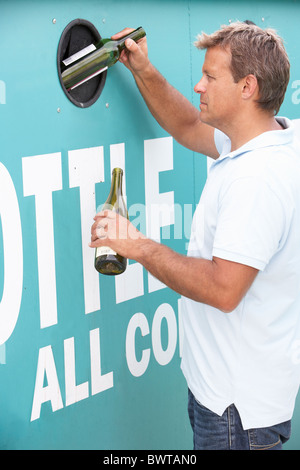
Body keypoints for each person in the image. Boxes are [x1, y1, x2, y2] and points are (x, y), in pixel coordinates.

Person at [90, 22, 300, 450]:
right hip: (229, 397)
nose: (198, 84)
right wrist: (144, 70)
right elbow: (187, 124)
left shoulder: (257, 178)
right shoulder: (266, 136)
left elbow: (225, 290)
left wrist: (136, 244)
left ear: (248, 87)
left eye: (211, 77)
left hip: (235, 414)